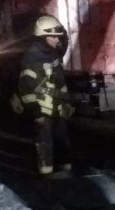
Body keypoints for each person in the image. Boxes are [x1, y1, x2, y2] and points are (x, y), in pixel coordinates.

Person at [17, 14, 73, 175]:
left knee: (62, 141)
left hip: (56, 108)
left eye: (58, 37)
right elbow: (26, 89)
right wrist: (36, 113)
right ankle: (46, 176)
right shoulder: (31, 59)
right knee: (44, 143)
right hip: (42, 110)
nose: (57, 40)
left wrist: (66, 102)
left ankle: (66, 173)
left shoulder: (52, 54)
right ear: (42, 37)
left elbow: (59, 80)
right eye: (53, 37)